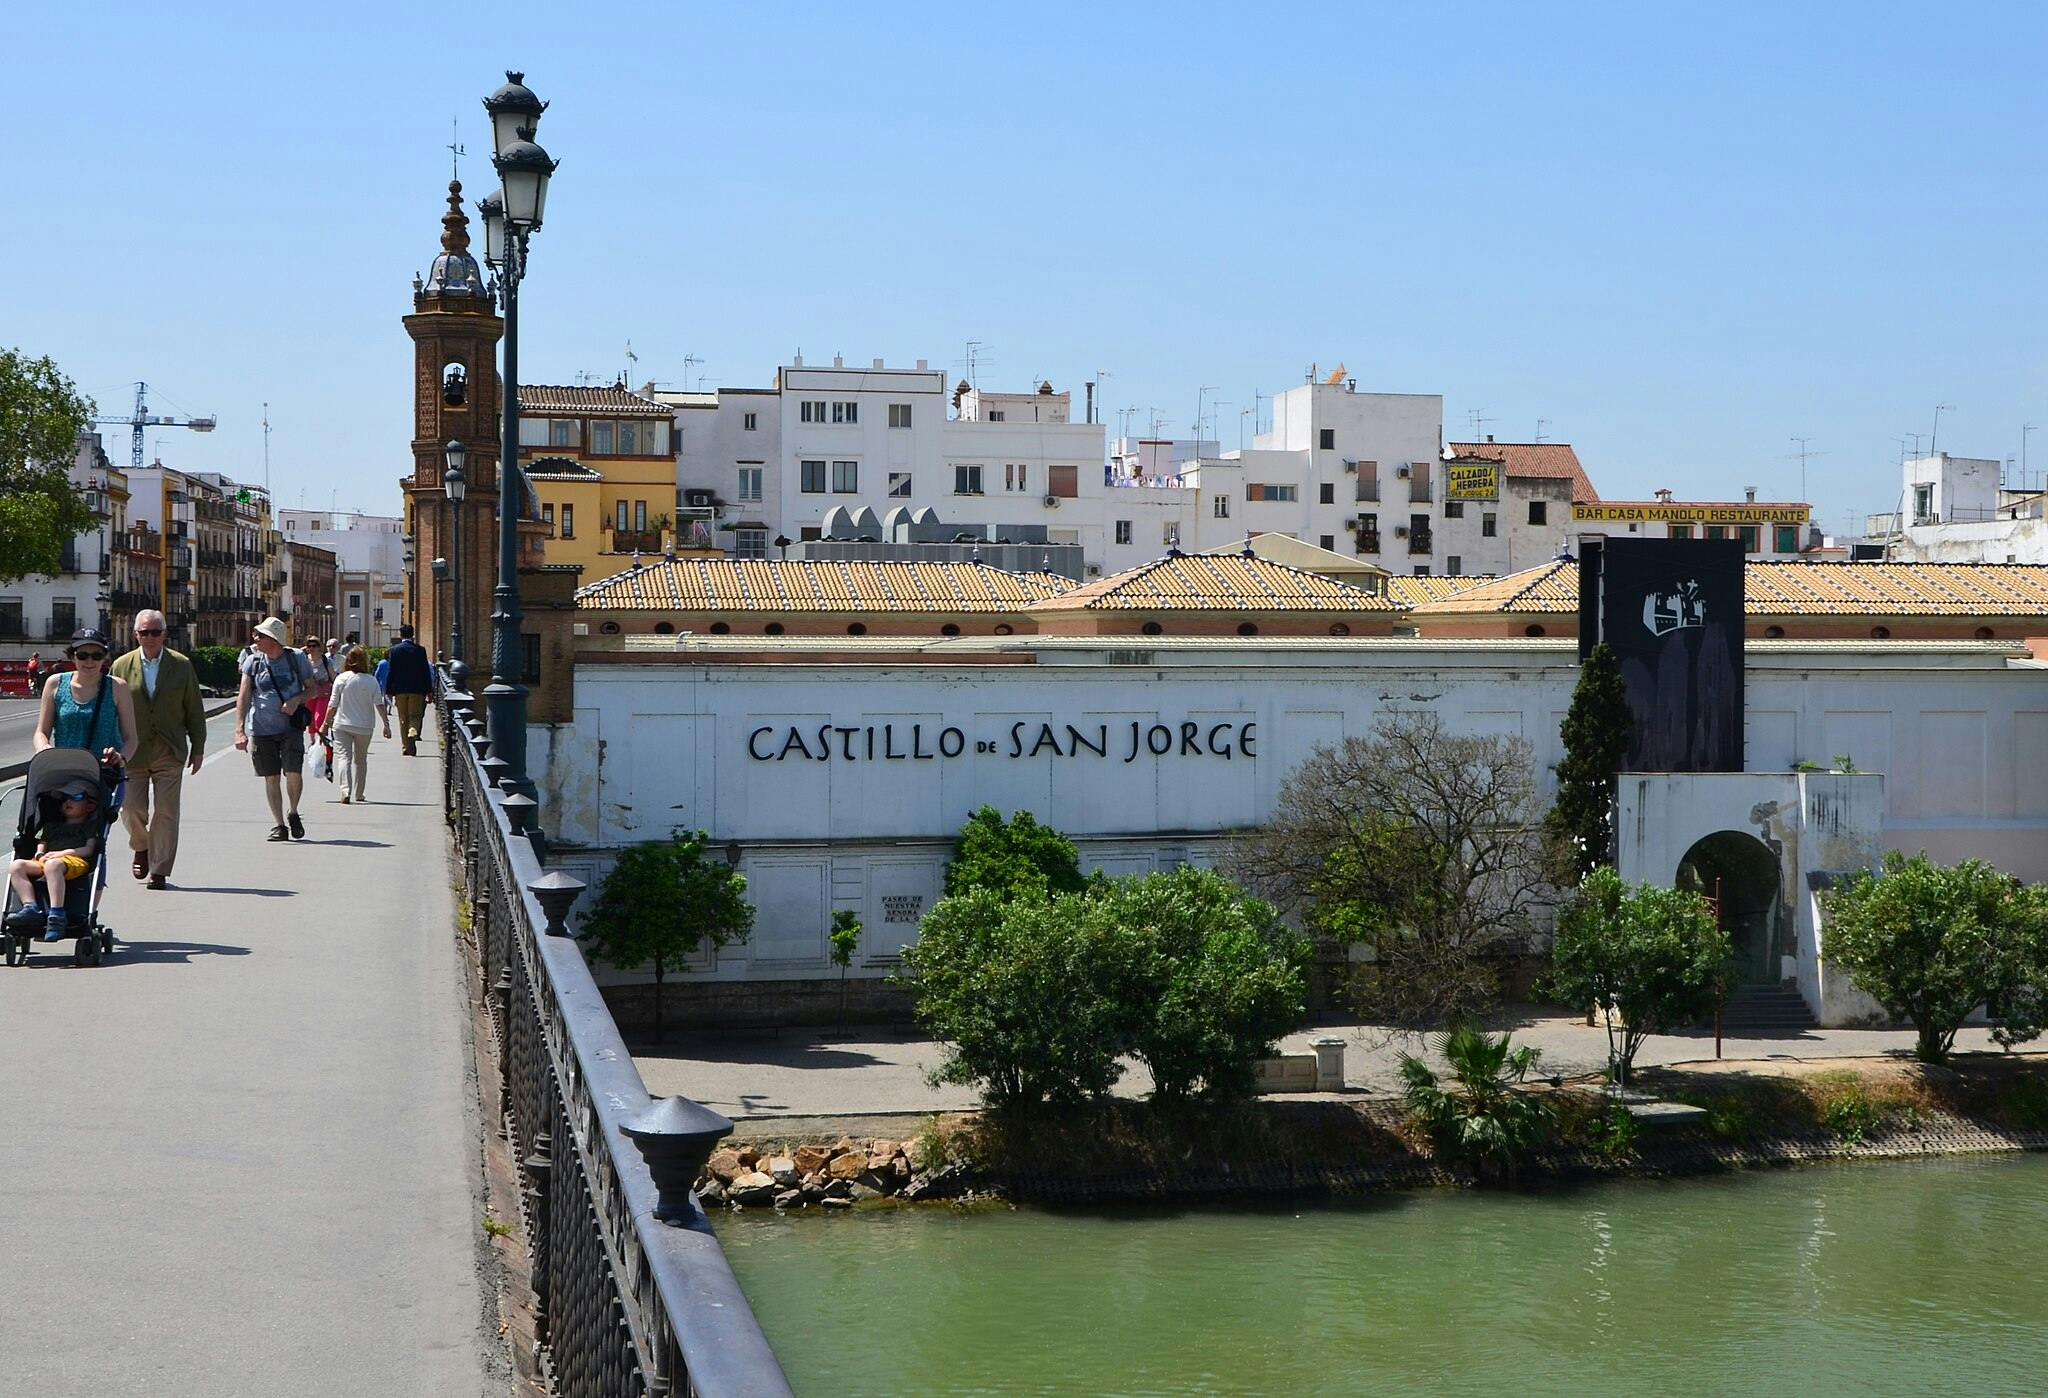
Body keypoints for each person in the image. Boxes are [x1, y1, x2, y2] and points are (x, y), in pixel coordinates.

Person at [109, 609, 207, 889]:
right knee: (131, 809)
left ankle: (159, 870)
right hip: (132, 749)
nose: (149, 637)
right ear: (135, 634)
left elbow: (194, 708)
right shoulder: (121, 666)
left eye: (155, 632)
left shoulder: (182, 664)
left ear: (164, 634)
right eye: (144, 632)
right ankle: (141, 845)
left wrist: (198, 747)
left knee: (166, 810)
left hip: (169, 747)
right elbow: (111, 710)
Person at [234, 617, 315, 842]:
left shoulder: (296, 658)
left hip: (290, 727)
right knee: (270, 778)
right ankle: (279, 825)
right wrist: (239, 731)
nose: (255, 638)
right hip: (261, 729)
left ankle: (293, 812)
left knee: (293, 772)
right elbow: (243, 696)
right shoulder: (253, 661)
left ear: (273, 638)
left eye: (260, 635)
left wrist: (296, 700)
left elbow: (313, 690)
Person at [34, 628, 138, 772]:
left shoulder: (118, 687)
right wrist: (44, 748)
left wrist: (121, 758)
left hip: (106, 774)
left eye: (97, 655)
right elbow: (41, 732)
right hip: (65, 771)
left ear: (104, 658)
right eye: (82, 655)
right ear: (72, 656)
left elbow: (131, 738)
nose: (89, 661)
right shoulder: (55, 683)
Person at [6, 783, 99, 942]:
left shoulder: (89, 826)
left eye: (74, 798)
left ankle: (57, 914)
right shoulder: (51, 826)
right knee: (17, 866)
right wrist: (40, 853)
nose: (67, 802)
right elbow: (43, 842)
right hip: (48, 859)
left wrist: (63, 854)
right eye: (64, 799)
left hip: (74, 860)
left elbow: (89, 849)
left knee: (53, 865)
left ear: (89, 806)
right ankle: (30, 907)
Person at [320, 648, 381, 803]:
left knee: (344, 758)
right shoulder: (371, 680)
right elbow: (379, 704)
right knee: (361, 760)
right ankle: (359, 793)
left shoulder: (341, 679)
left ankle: (345, 791)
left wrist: (325, 724)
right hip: (365, 726)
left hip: (342, 724)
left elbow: (332, 704)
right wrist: (386, 724)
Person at [383, 623, 433, 756]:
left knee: (402, 718)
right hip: (417, 690)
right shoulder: (420, 650)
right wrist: (429, 690)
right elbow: (425, 671)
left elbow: (391, 672)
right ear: (412, 635)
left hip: (400, 690)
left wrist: (388, 690)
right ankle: (413, 731)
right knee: (415, 716)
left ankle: (406, 748)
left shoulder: (394, 650)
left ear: (401, 635)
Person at [302, 638, 335, 734]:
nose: (311, 648)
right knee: (310, 719)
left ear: (319, 647)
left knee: (319, 718)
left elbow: (333, 677)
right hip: (309, 693)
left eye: (314, 646)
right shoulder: (304, 660)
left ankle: (320, 740)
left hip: (323, 694)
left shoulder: (325, 660)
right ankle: (313, 741)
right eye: (309, 646)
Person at [374, 654, 394, 739]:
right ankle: (389, 709)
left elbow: (377, 673)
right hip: (391, 683)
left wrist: (376, 680)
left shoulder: (381, 663)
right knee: (390, 697)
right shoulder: (392, 663)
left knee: (385, 697)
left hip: (383, 683)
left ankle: (385, 709)